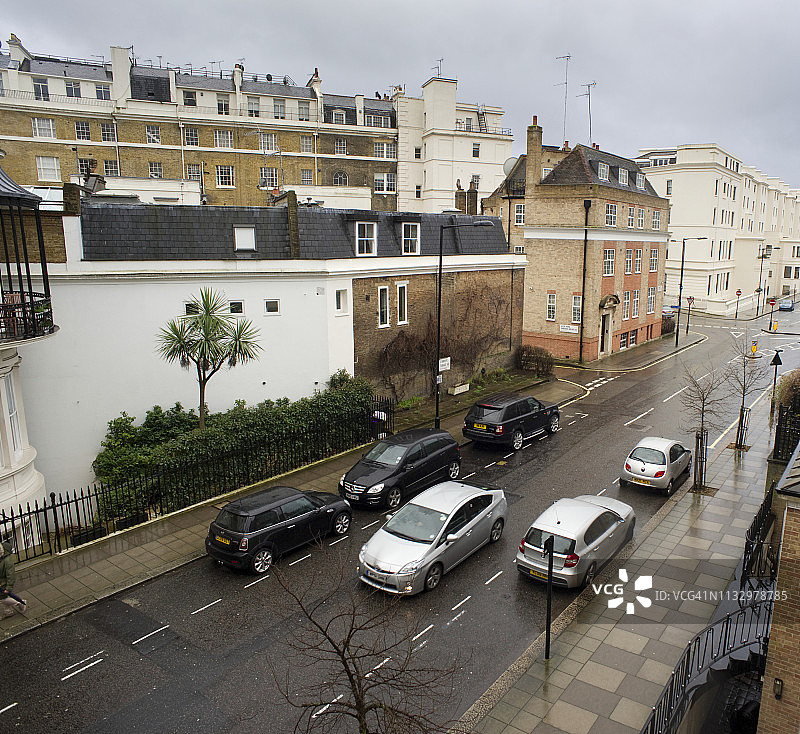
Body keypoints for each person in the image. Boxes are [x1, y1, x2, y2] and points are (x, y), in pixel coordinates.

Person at [0, 539, 26, 617]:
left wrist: (8, 588)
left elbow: (10, 575)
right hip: (1, 582)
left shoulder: (7, 561)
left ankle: (20, 603)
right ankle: (8, 611)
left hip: (4, 583)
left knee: (2, 599)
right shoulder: (1, 559)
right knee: (5, 597)